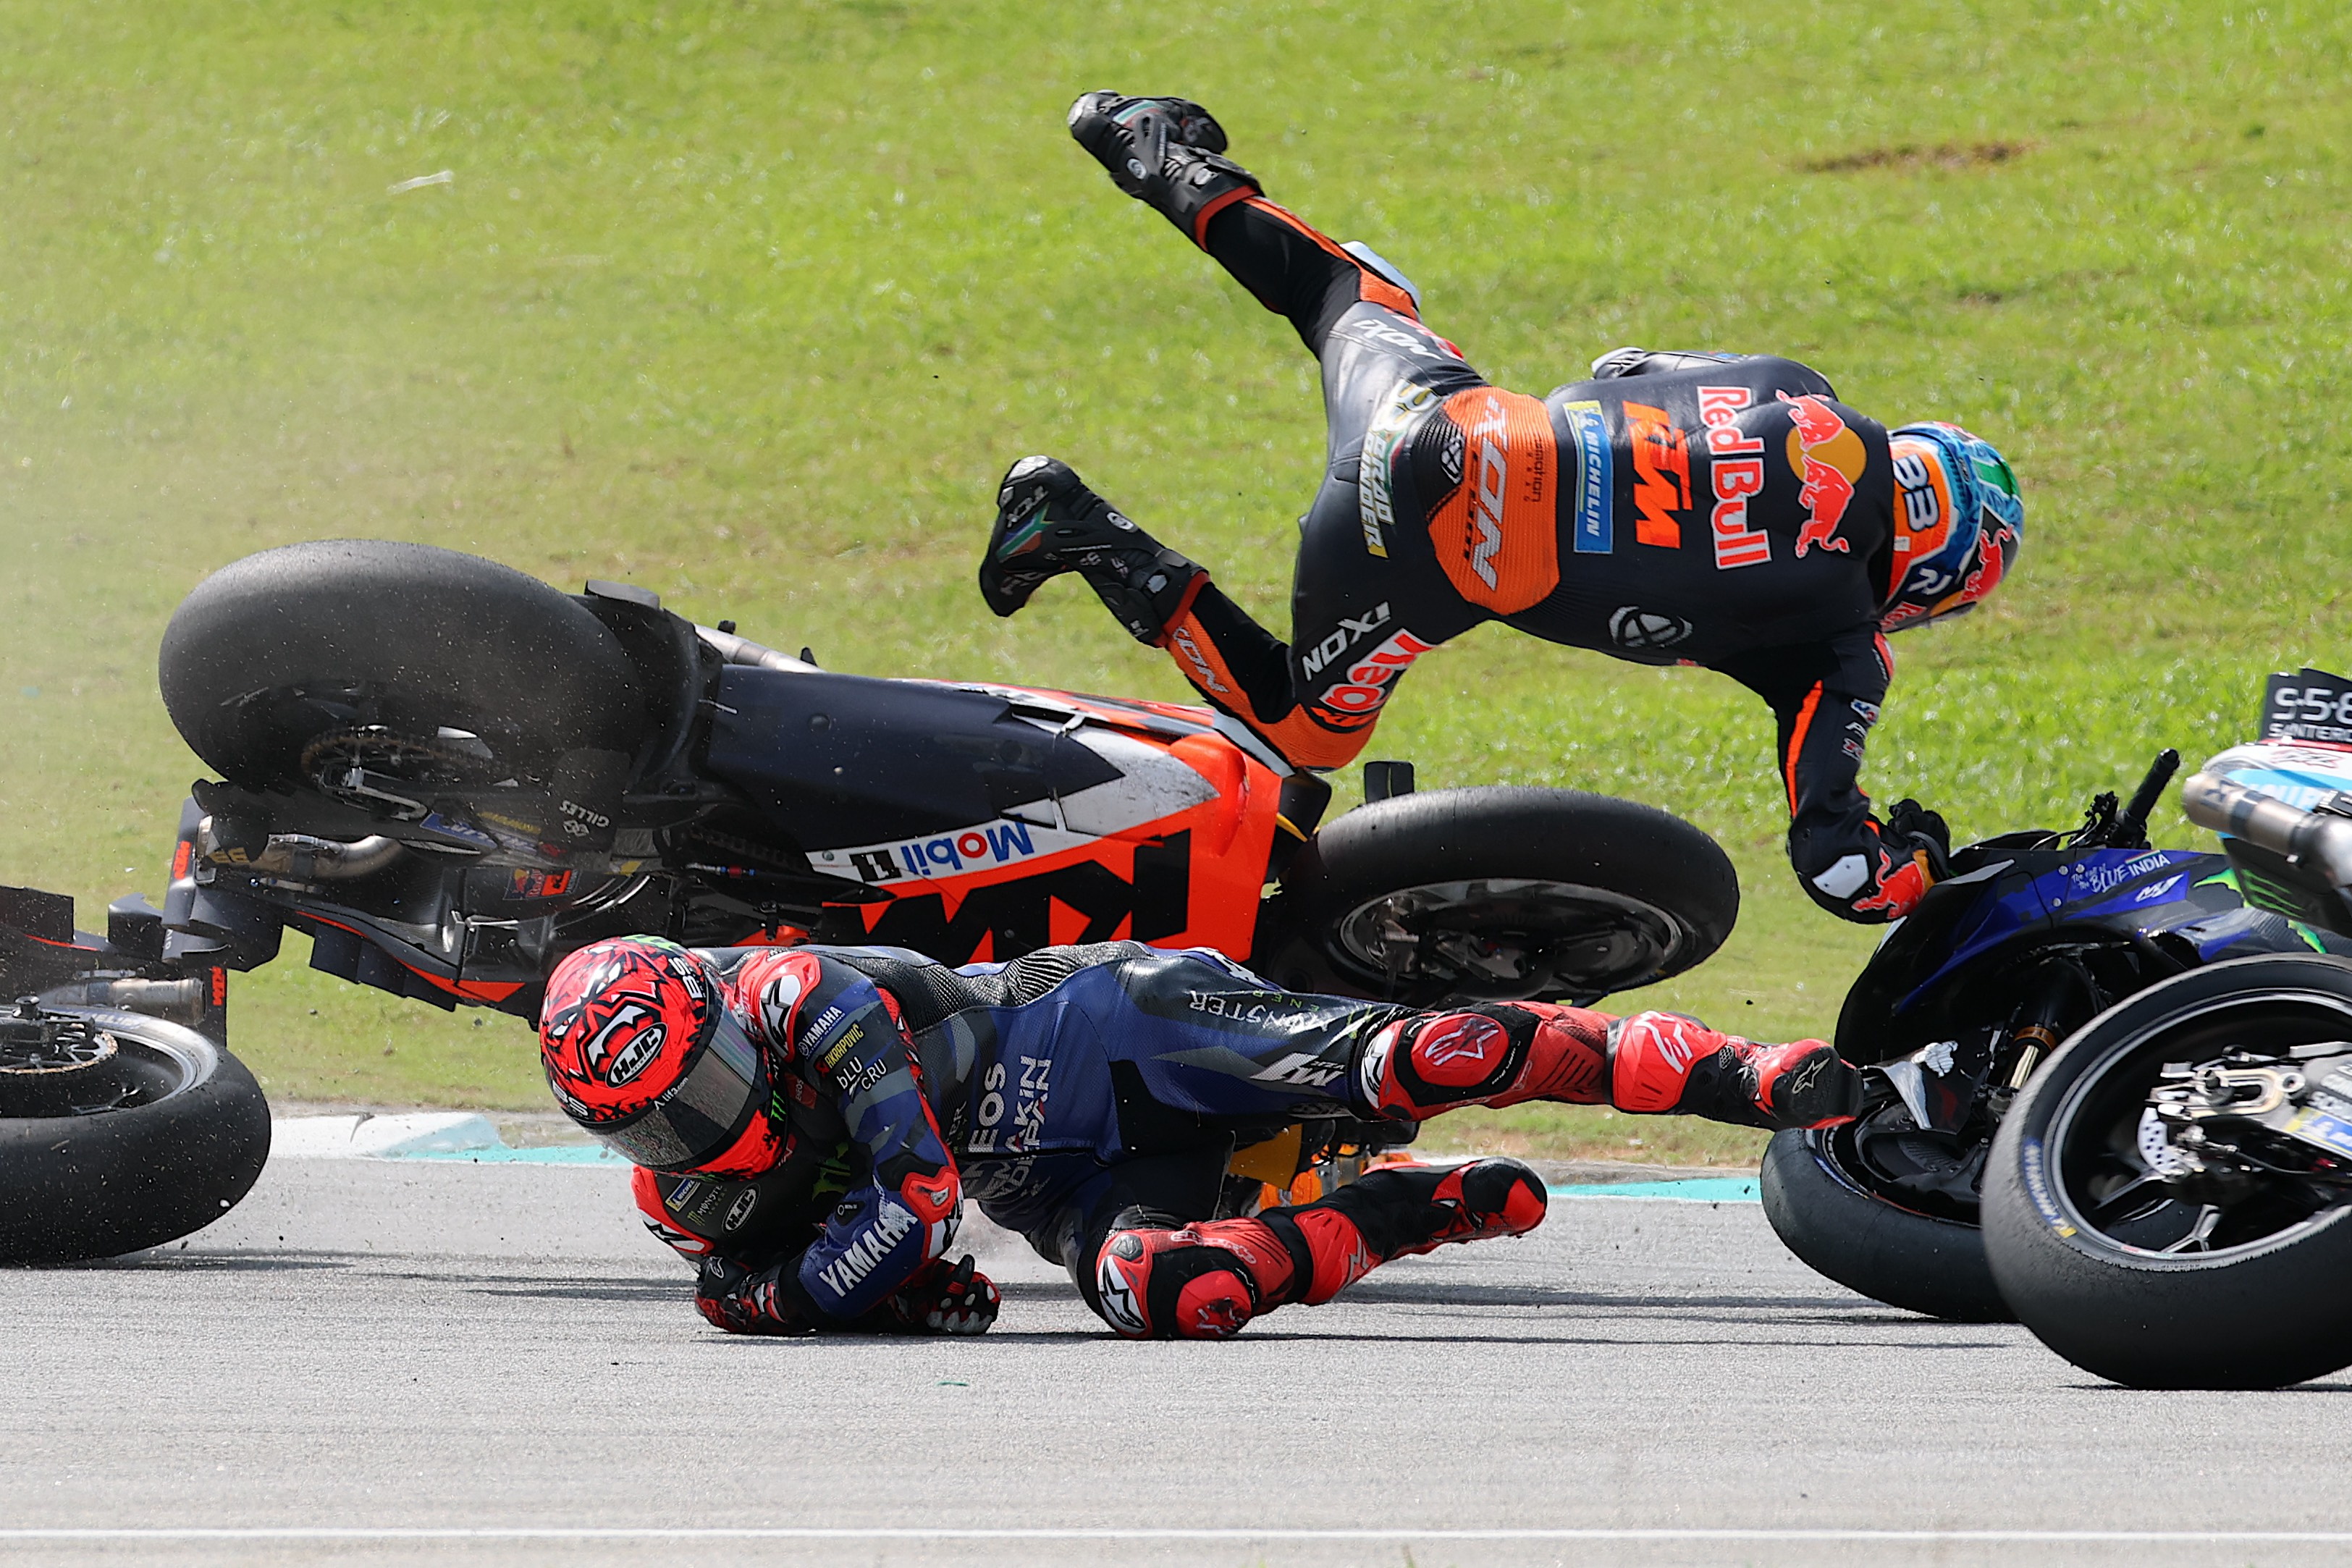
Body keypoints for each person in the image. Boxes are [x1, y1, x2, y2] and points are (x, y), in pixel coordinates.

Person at [979, 93, 2028, 924]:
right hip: (1410, 559)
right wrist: (1916, 861)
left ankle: (1156, 151)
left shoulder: (1794, 385)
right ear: (1928, 580)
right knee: (1304, 731)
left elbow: (1619, 366)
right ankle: (1082, 532)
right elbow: (1840, 869)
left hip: (1432, 422)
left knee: (1349, 298)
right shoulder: (1839, 642)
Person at [537, 934, 1862, 1341]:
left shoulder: (799, 998)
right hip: (1065, 1179)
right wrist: (837, 1287)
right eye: (661, 1114)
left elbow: (917, 1195)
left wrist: (836, 1279)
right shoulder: (686, 1202)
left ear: (720, 1013)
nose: (705, 1114)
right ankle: (1419, 1208)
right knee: (1169, 1292)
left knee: (1420, 1050)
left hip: (1102, 1029)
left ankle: (1747, 1073)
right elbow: (887, 1294)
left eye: (703, 1074)